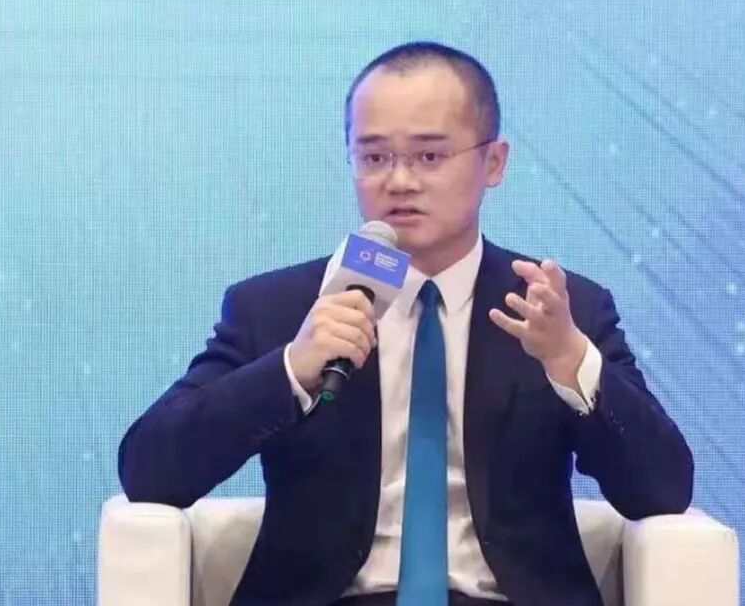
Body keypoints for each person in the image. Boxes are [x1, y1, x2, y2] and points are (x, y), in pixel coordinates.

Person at [118, 42, 693, 606]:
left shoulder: (557, 310)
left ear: (494, 163)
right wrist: (290, 369)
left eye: (429, 157)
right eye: (373, 157)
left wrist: (571, 362)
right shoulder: (279, 308)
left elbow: (663, 490)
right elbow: (149, 472)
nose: (399, 182)